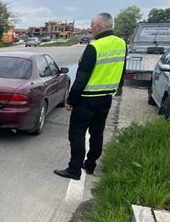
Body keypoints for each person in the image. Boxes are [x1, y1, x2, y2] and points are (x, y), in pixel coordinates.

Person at [54, 13, 127, 180]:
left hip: (86, 99)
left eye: (91, 26)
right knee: (97, 132)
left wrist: (70, 100)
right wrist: (118, 89)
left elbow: (81, 78)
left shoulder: (95, 47)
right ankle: (90, 164)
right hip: (106, 97)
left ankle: (74, 170)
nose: (90, 29)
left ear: (98, 27)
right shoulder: (122, 44)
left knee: (77, 133)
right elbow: (122, 70)